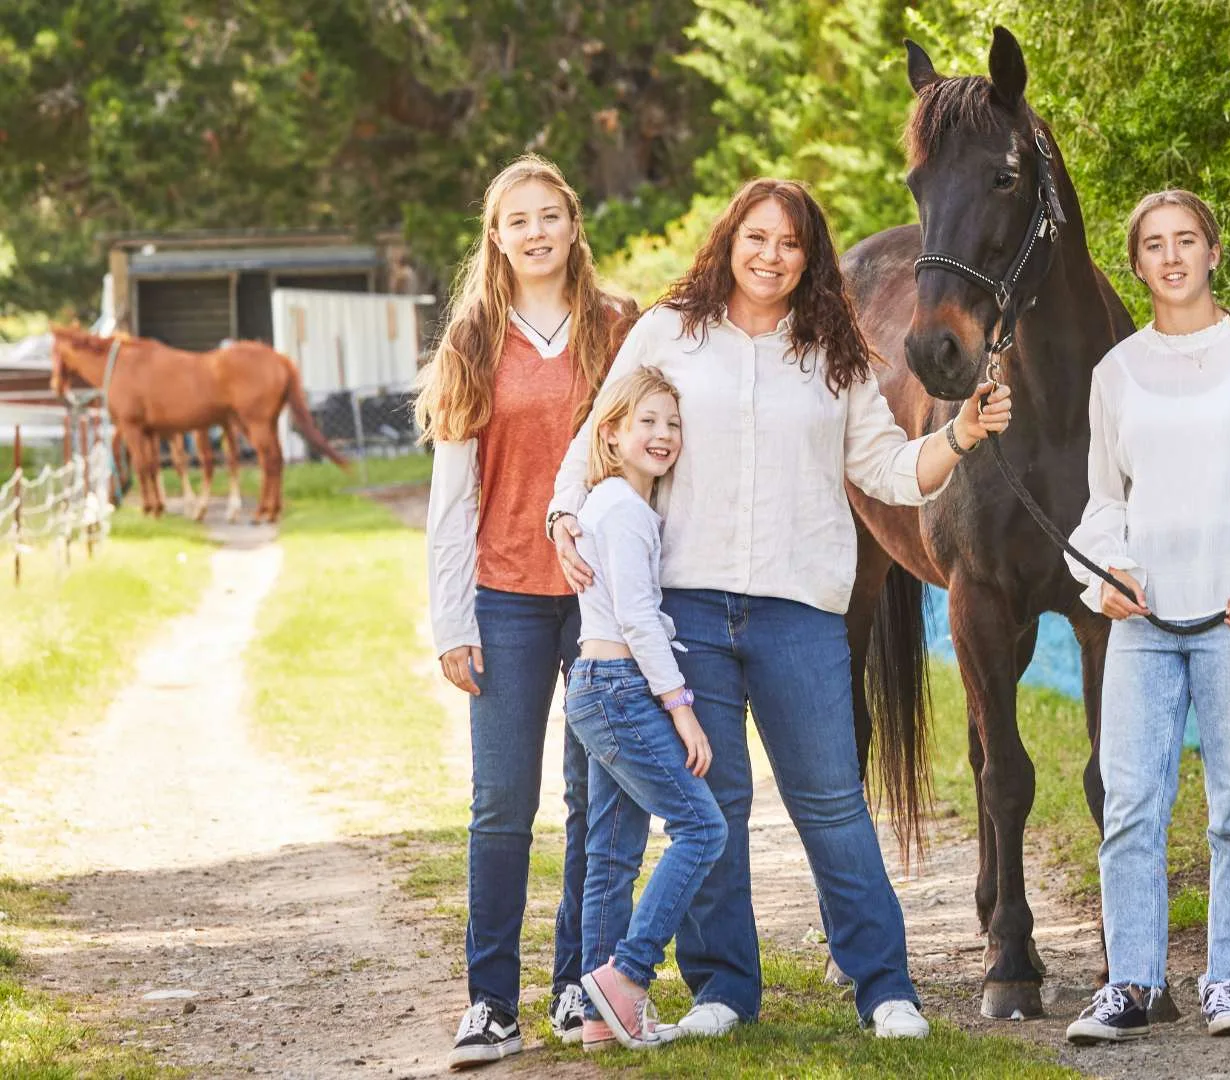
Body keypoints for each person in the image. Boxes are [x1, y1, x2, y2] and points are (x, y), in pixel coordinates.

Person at [547, 178, 1012, 1039]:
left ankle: (884, 988)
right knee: (715, 805)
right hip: (688, 609)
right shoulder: (669, 333)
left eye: (790, 244)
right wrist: (563, 513)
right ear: (729, 241)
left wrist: (961, 435)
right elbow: (596, 437)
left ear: (810, 259)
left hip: (799, 612)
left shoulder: (833, 354)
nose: (770, 255)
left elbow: (887, 472)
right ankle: (724, 990)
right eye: (756, 237)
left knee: (831, 800)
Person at [1061, 191, 1230, 1045]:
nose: (1172, 259)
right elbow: (1101, 507)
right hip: (1141, 625)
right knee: (1132, 802)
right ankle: (1132, 983)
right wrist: (1109, 576)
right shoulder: (1114, 374)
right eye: (1154, 247)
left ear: (1213, 251)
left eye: (1186, 242)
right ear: (1135, 266)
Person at [417, 154, 637, 1068]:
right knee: (501, 805)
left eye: (551, 215)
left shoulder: (619, 326)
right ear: (496, 236)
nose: (537, 231)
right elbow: (452, 495)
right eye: (519, 220)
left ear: (573, 224)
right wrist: (452, 620)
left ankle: (577, 985)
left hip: (599, 599)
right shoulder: (471, 339)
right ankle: (491, 1003)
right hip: (505, 597)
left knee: (597, 803)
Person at [562, 366, 726, 1051]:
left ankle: (599, 1015)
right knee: (702, 829)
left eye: (673, 423)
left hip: (597, 684)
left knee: (612, 853)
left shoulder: (604, 506)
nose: (662, 435)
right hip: (619, 687)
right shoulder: (624, 511)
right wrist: (681, 708)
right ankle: (628, 976)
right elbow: (636, 618)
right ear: (611, 435)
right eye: (647, 423)